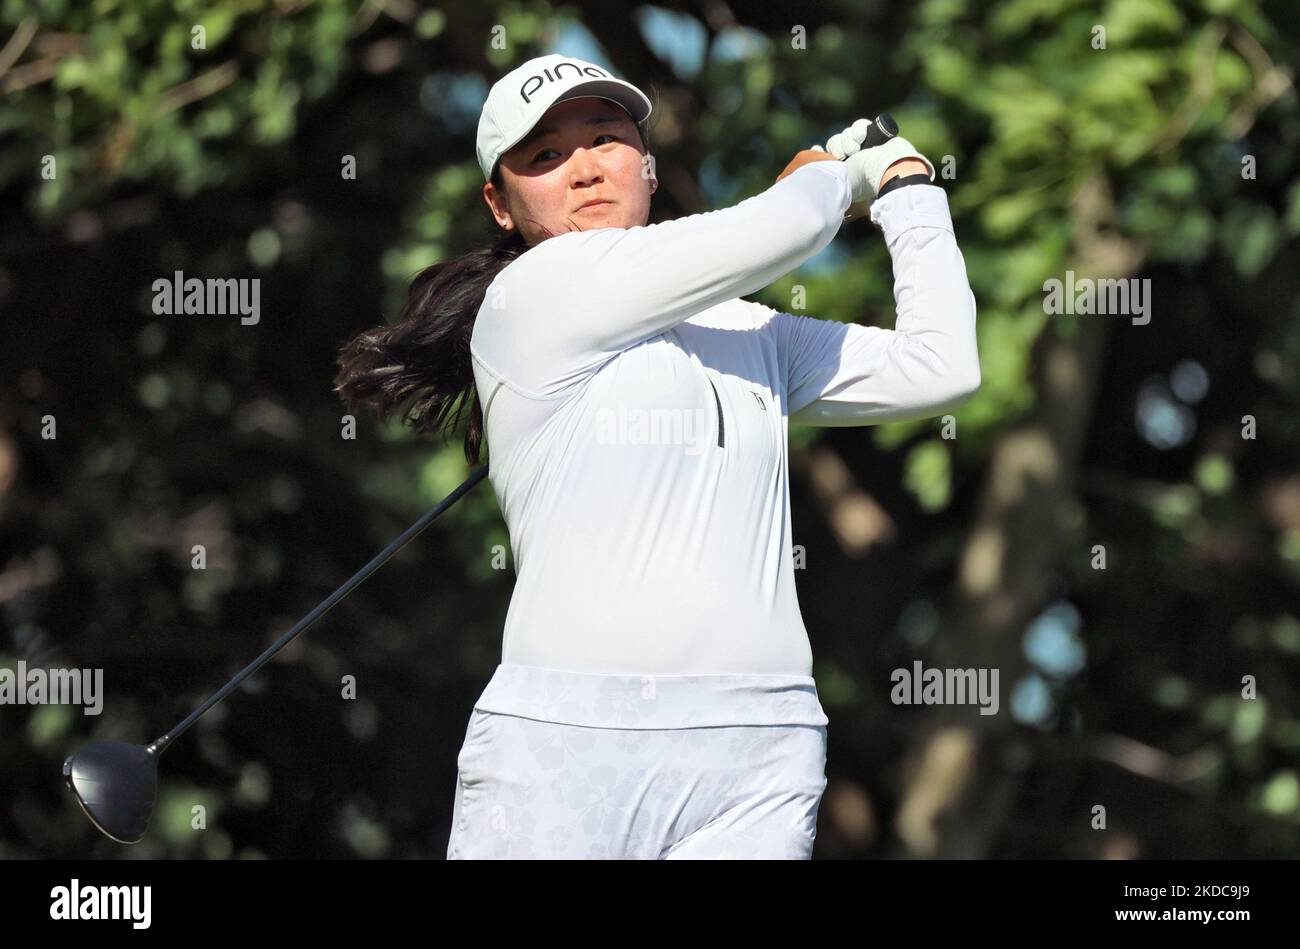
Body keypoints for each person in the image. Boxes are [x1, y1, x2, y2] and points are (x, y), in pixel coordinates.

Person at [335, 53, 979, 859]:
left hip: (761, 749)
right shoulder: (532, 296)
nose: (583, 170)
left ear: (645, 160)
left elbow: (942, 364)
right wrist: (836, 176)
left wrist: (911, 192)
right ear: (500, 206)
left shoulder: (748, 329)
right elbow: (787, 226)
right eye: (544, 156)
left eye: (605, 138)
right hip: (567, 747)